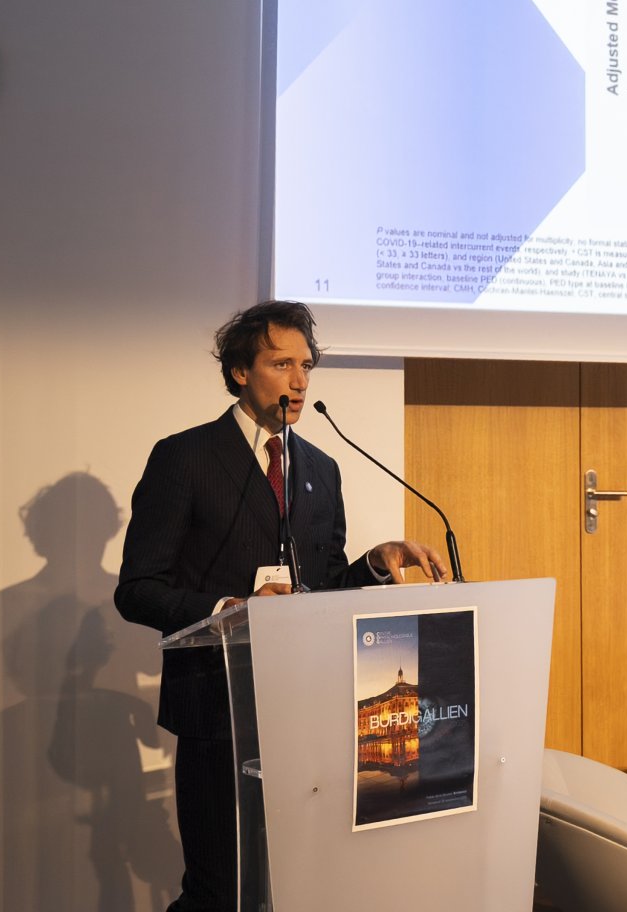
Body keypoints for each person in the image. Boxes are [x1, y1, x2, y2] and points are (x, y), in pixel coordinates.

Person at [115, 300, 448, 912]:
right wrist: (233, 607)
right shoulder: (184, 457)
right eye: (281, 364)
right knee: (219, 891)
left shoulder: (321, 467)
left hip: (306, 709)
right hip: (219, 707)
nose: (299, 381)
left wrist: (375, 564)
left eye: (306, 366)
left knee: (299, 886)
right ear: (241, 371)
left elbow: (323, 588)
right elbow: (137, 589)